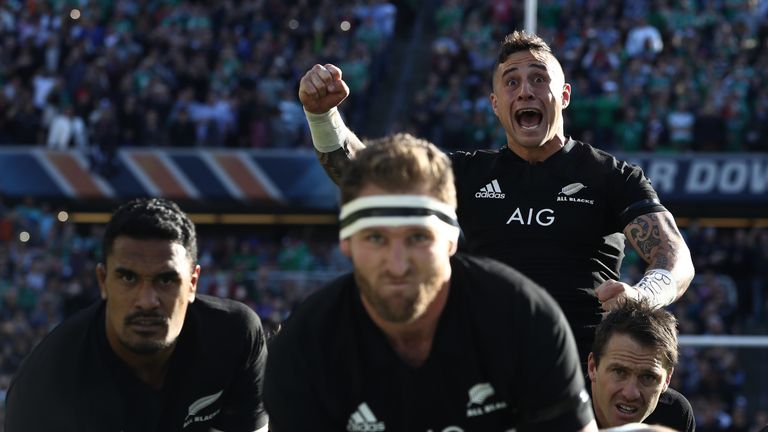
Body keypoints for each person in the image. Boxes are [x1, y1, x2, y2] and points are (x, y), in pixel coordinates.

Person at [297, 30, 695, 428]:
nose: (525, 91)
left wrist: (641, 296)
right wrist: (322, 116)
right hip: (486, 373)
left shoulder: (611, 176)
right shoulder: (464, 173)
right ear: (495, 104)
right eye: (511, 82)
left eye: (539, 78)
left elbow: (674, 257)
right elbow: (369, 177)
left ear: (565, 95)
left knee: (672, 414)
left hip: (584, 372)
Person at [263, 134, 597, 431]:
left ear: (452, 239)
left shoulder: (524, 319)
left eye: (418, 237)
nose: (397, 266)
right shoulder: (306, 345)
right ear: (346, 242)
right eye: (376, 238)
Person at [5, 198, 269, 432]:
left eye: (166, 280)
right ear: (103, 281)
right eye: (128, 278)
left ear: (192, 283)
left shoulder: (236, 337)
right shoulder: (45, 386)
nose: (147, 301)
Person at [588, 300, 693, 432]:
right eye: (619, 372)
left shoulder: (675, 415)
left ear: (667, 379)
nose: (630, 393)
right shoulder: (559, 406)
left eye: (648, 377)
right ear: (592, 367)